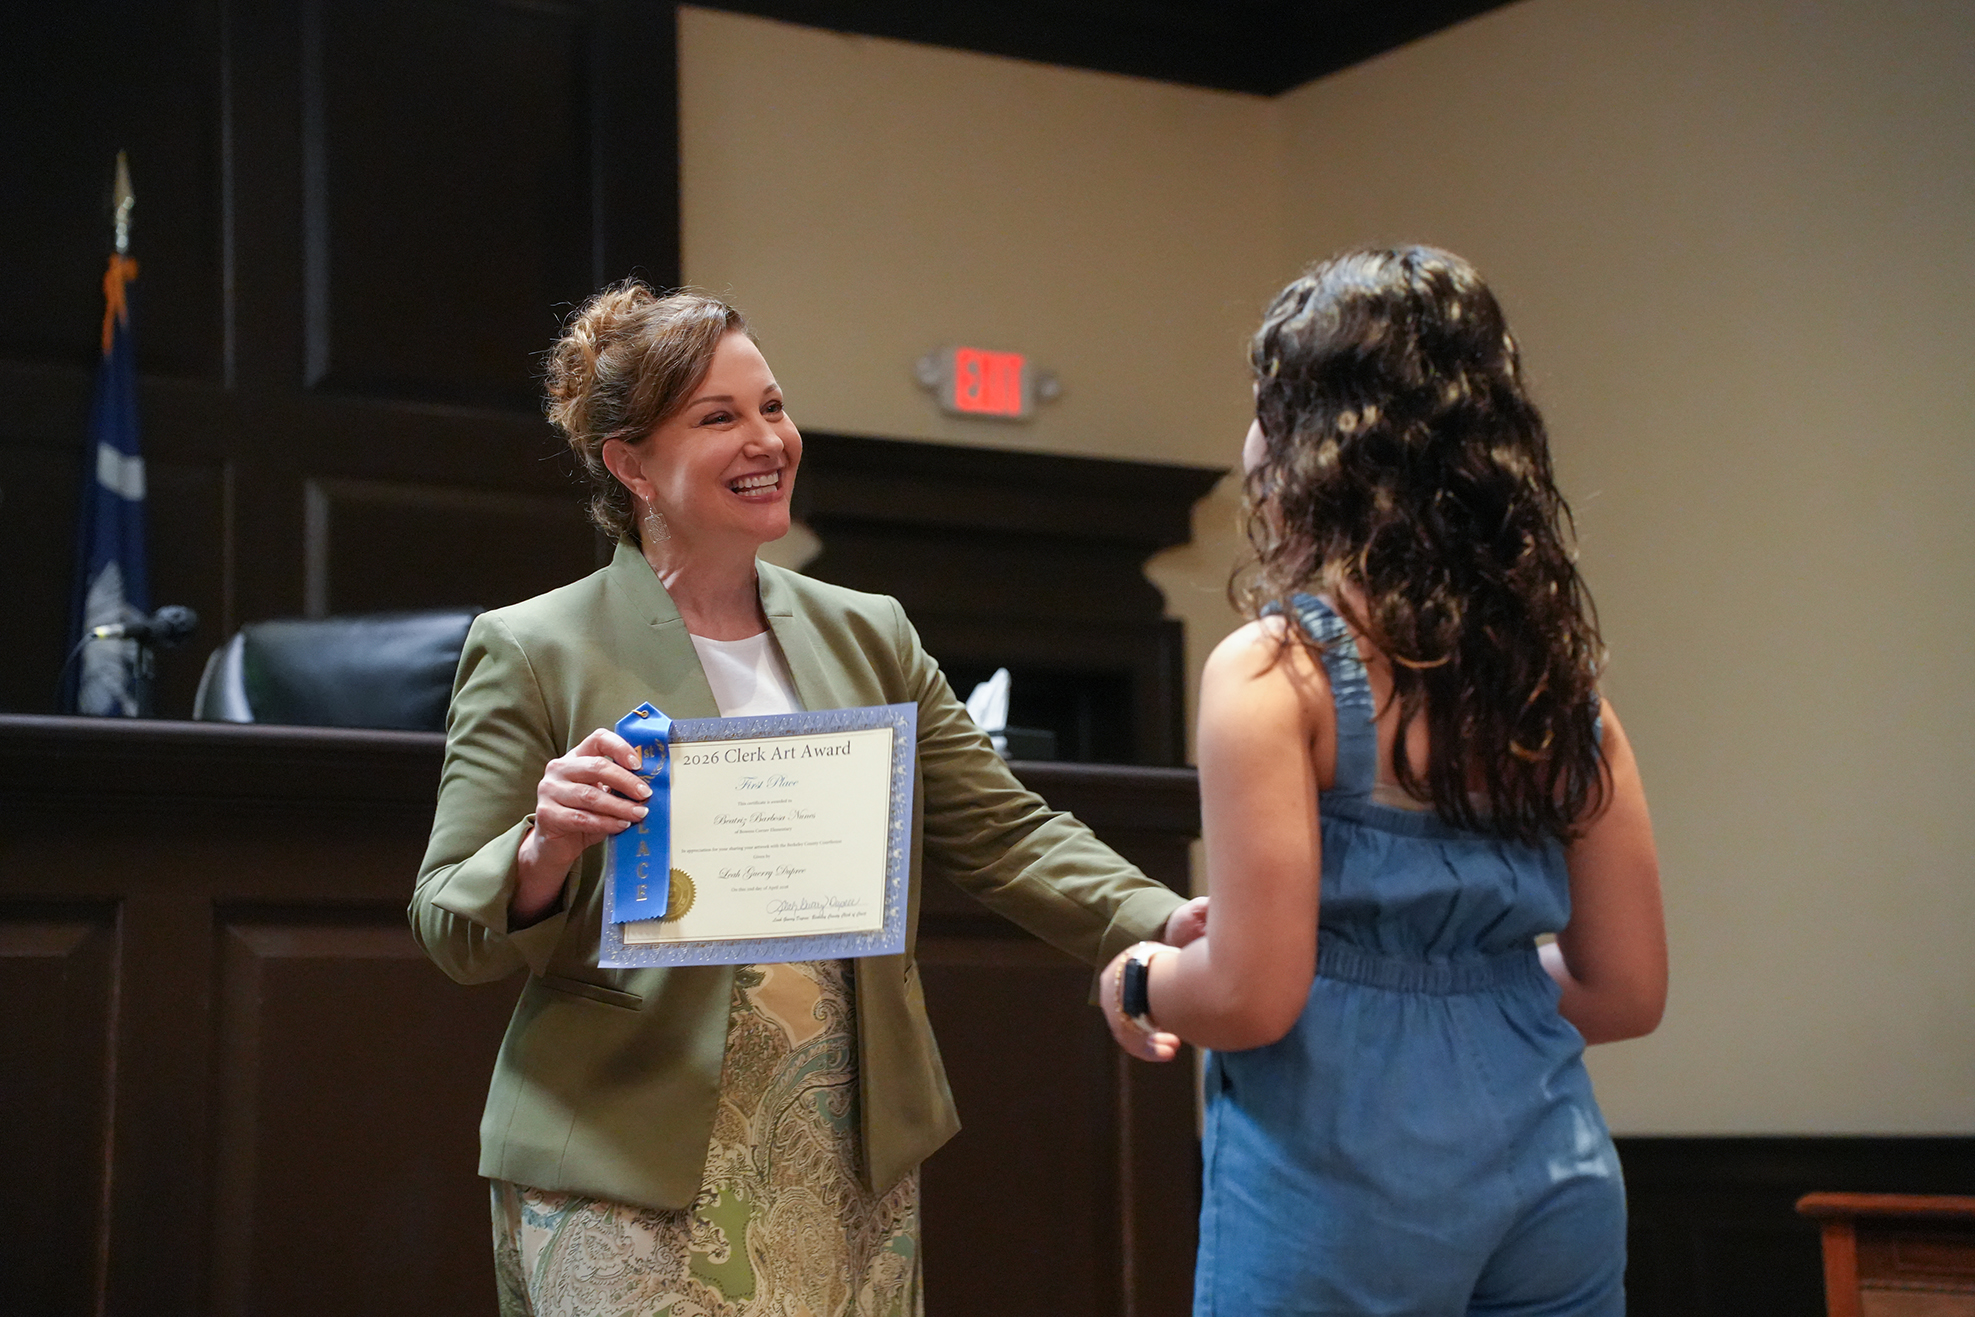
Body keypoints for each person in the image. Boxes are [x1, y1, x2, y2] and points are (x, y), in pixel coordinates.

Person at [410, 283, 1205, 1317]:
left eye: (773, 407)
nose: (767, 440)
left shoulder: (869, 631)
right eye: (719, 417)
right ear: (630, 465)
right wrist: (543, 846)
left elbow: (1005, 832)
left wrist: (1162, 923)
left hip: (845, 1153)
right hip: (622, 1154)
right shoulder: (532, 646)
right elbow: (449, 927)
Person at [1099, 248, 1667, 1316]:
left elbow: (1251, 997)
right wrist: (1463, 984)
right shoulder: (1561, 696)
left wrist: (1137, 978)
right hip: (1555, 1178)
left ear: (1311, 442)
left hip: (1341, 1187)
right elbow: (1627, 991)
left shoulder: (1276, 674)